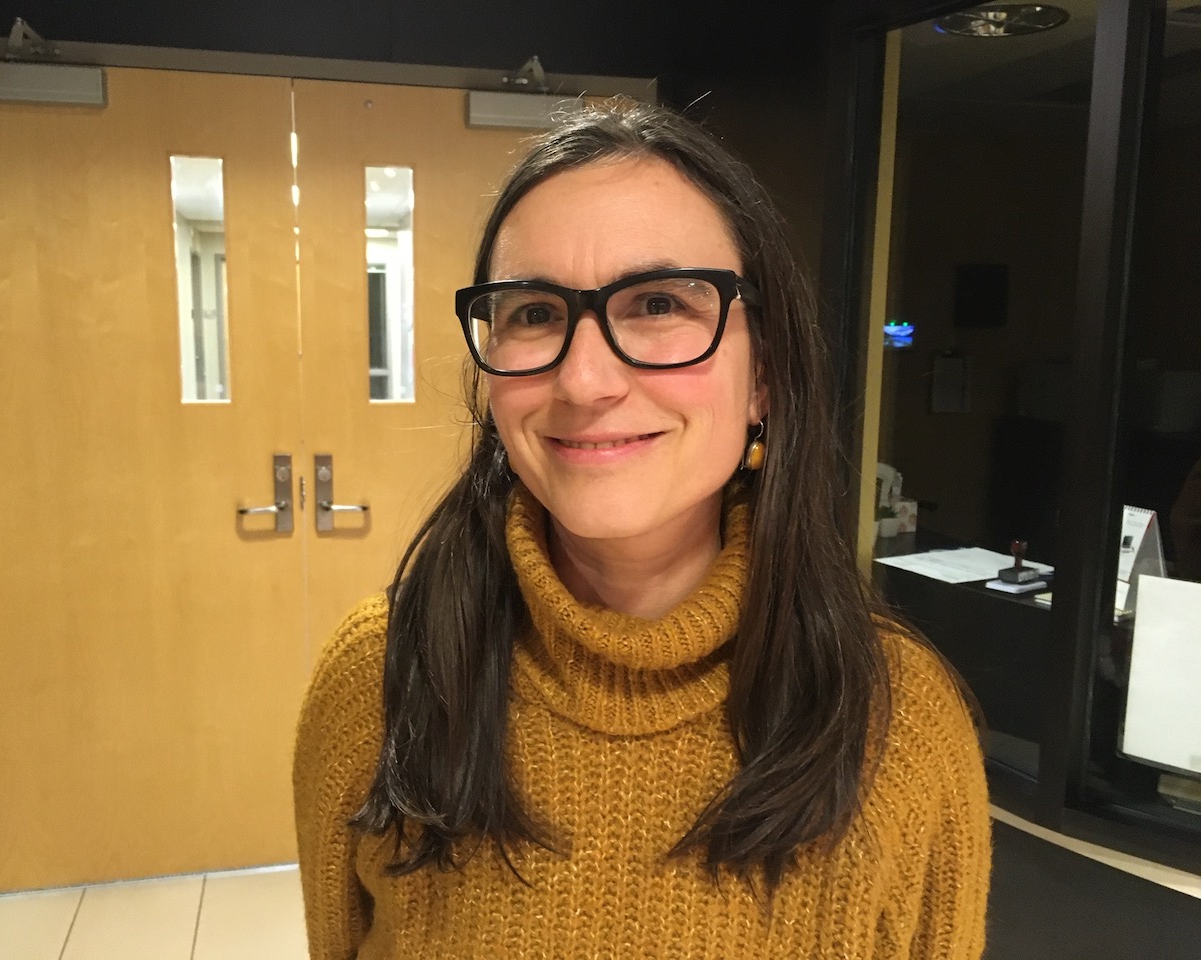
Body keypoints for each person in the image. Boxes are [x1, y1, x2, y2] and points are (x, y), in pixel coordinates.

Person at [293, 99, 990, 959]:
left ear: (763, 376)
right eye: (535, 313)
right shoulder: (379, 682)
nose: (585, 380)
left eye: (658, 302)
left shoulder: (901, 724)